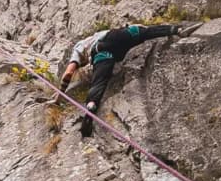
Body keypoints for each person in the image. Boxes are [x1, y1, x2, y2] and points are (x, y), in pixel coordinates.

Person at [57, 22, 199, 136]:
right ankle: (177, 30)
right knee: (144, 32)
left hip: (103, 50)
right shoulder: (99, 34)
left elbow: (68, 73)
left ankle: (91, 107)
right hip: (119, 36)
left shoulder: (79, 47)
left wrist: (59, 95)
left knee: (99, 81)